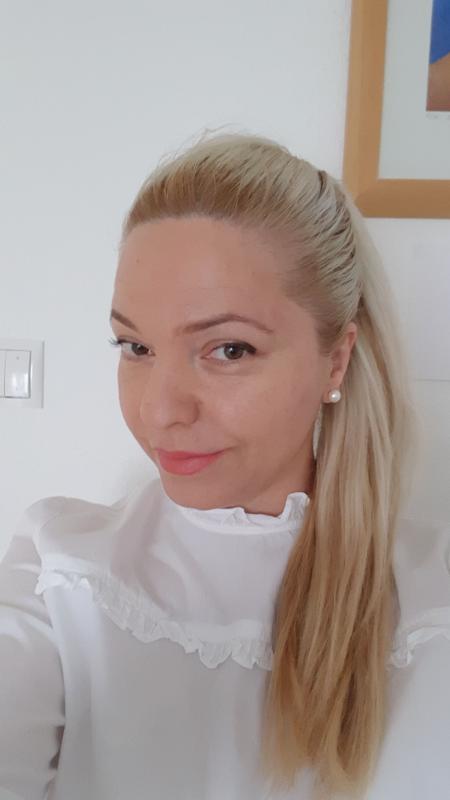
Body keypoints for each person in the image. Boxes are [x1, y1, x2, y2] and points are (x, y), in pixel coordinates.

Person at [1, 130, 449, 800]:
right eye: (135, 347)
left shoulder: (431, 602)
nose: (159, 411)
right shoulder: (59, 572)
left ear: (336, 359)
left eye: (229, 350)